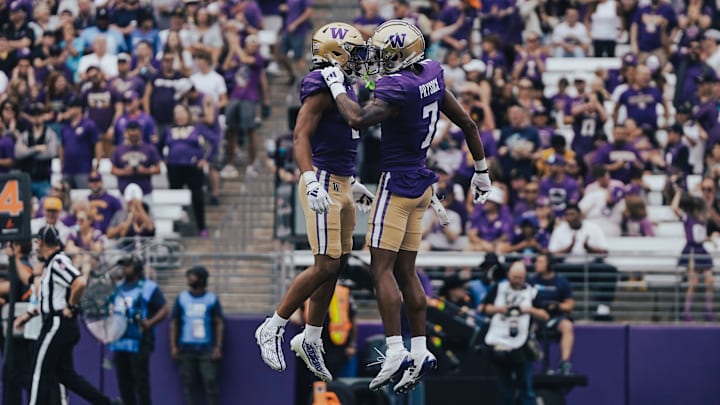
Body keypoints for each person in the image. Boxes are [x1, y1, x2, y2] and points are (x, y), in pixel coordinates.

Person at [320, 19, 492, 392]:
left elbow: (356, 117)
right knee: (407, 271)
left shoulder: (397, 86)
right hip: (422, 185)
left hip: (396, 184)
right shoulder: (431, 71)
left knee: (380, 268)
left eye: (385, 55)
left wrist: (336, 85)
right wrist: (482, 171)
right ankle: (420, 348)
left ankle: (395, 347)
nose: (379, 62)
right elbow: (467, 123)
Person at [255, 22, 373, 383]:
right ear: (335, 54)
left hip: (339, 181)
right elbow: (300, 135)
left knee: (337, 264)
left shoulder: (344, 84)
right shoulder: (322, 84)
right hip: (321, 182)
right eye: (353, 53)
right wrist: (308, 180)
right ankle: (273, 326)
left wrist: (351, 182)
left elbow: (336, 140)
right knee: (324, 266)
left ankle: (310, 337)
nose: (360, 60)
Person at [13, 225, 120, 405]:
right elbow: (53, 299)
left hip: (56, 324)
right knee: (66, 375)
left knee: (38, 371)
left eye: (37, 242)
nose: (36, 246)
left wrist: (71, 304)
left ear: (41, 242)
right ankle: (106, 403)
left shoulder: (57, 262)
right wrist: (30, 314)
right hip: (59, 323)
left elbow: (79, 282)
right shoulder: (51, 265)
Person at [484, 261, 549, 405]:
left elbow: (545, 315)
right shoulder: (499, 288)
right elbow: (483, 308)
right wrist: (498, 309)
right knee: (504, 389)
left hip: (522, 345)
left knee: (526, 388)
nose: (516, 280)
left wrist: (529, 310)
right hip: (498, 342)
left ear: (525, 277)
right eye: (514, 277)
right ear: (508, 275)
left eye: (520, 277)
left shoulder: (532, 292)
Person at [108, 254, 169, 405]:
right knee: (124, 382)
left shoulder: (149, 287)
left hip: (139, 341)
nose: (124, 269)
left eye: (127, 265)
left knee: (141, 382)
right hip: (120, 340)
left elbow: (164, 308)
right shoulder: (118, 287)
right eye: (123, 265)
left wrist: (150, 322)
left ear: (136, 267)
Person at [548, 203, 618, 320]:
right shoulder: (559, 230)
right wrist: (568, 248)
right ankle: (556, 308)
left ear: (580, 215)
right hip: (567, 266)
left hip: (590, 265)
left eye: (573, 214)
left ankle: (603, 309)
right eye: (567, 215)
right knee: (550, 271)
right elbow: (551, 254)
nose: (570, 217)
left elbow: (605, 252)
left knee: (610, 270)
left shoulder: (593, 228)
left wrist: (589, 248)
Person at [170, 266, 224, 405]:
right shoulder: (182, 298)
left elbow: (219, 323)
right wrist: (174, 346)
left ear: (201, 278)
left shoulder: (211, 299)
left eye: (193, 276)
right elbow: (174, 322)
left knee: (210, 382)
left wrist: (218, 346)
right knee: (189, 384)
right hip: (186, 348)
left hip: (206, 348)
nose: (189, 279)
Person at [672, 188, 714, 321]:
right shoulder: (687, 217)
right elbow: (674, 207)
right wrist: (678, 192)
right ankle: (686, 311)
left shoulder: (703, 219)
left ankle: (708, 310)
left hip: (701, 249)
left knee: (709, 280)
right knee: (693, 282)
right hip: (691, 251)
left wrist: (710, 238)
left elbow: (700, 236)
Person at [529, 254, 575, 375]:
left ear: (549, 264)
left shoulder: (561, 282)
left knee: (567, 326)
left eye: (540, 262)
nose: (536, 264)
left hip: (556, 318)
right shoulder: (531, 281)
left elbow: (570, 305)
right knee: (528, 327)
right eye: (536, 261)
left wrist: (558, 305)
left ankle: (564, 363)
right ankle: (527, 362)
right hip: (536, 317)